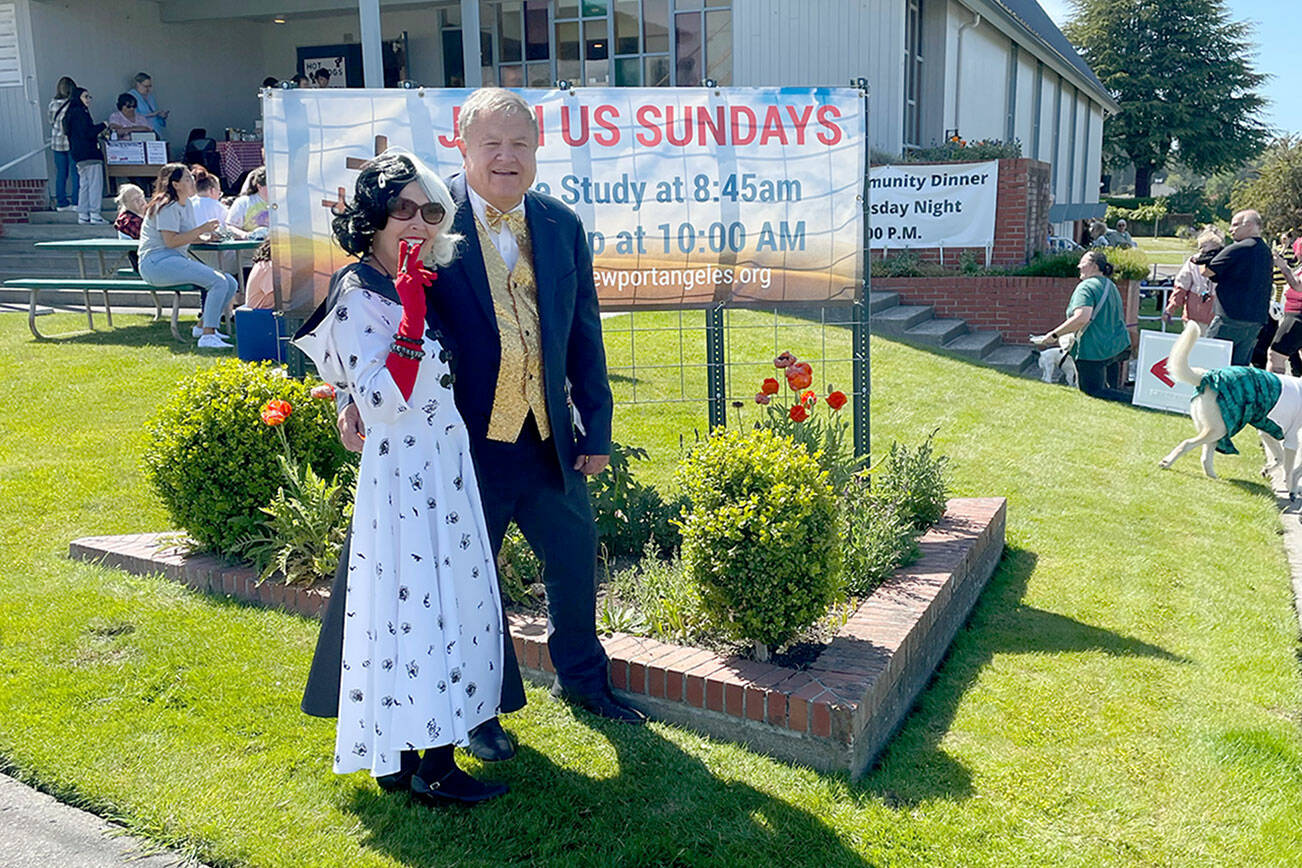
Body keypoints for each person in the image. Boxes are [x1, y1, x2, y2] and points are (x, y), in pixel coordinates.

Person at [326, 88, 643, 765]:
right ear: (463, 148)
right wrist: (349, 397)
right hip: (465, 448)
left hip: (550, 437)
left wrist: (597, 424)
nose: (507, 157)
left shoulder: (561, 225)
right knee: (470, 588)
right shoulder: (432, 230)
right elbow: (376, 320)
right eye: (492, 144)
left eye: (519, 144)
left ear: (535, 151)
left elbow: (583, 332)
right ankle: (481, 713)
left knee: (573, 563)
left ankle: (585, 684)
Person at [294, 150, 509, 805]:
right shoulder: (364, 290)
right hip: (407, 477)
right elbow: (385, 400)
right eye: (403, 210)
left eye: (431, 211)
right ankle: (433, 768)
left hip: (439, 469)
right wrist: (411, 318)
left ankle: (398, 758)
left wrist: (415, 301)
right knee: (424, 607)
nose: (417, 223)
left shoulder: (410, 278)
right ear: (374, 219)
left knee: (418, 608)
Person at [137, 163, 238, 349]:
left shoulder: (188, 204)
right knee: (219, 282)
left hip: (174, 260)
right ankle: (208, 336)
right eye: (187, 179)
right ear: (175, 184)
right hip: (156, 263)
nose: (193, 182)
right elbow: (171, 241)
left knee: (230, 282)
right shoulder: (166, 205)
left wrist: (206, 238)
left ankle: (202, 328)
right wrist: (202, 229)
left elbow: (186, 236)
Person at [1032, 249, 1132, 401]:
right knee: (1110, 391)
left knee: (1092, 393)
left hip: (1093, 350)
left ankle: (1138, 402)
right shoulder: (1111, 285)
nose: (1079, 267)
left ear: (1094, 266)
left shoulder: (1086, 287)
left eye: (1082, 263)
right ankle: (1133, 402)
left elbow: (1082, 318)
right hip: (1116, 347)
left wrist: (1054, 335)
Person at [1202, 209, 1275, 366]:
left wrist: (1204, 254)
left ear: (1248, 225)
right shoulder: (1266, 251)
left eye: (1235, 225)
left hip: (1229, 318)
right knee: (1238, 369)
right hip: (1256, 320)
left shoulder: (1238, 248)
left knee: (1208, 362)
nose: (1230, 229)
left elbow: (1207, 271)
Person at [62, 86, 106, 225]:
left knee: (84, 185)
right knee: (95, 184)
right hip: (90, 153)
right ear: (78, 98)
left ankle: (83, 214)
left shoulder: (69, 114)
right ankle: (95, 214)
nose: (88, 100)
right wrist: (103, 125)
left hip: (78, 154)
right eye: (85, 97)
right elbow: (88, 132)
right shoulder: (82, 113)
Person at [1163, 227, 1223, 328]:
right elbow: (1181, 286)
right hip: (1194, 316)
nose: (1203, 249)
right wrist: (1171, 308)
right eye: (1202, 246)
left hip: (1217, 316)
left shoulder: (1226, 261)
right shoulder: (1193, 262)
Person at [48, 76, 79, 212]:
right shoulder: (74, 104)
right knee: (75, 173)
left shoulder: (52, 104)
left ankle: (61, 202)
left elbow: (50, 121)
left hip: (56, 143)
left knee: (61, 173)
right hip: (71, 142)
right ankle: (76, 201)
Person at [225, 167, 269, 238]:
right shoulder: (243, 202)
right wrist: (246, 235)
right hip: (250, 248)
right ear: (259, 186)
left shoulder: (285, 203)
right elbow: (230, 227)